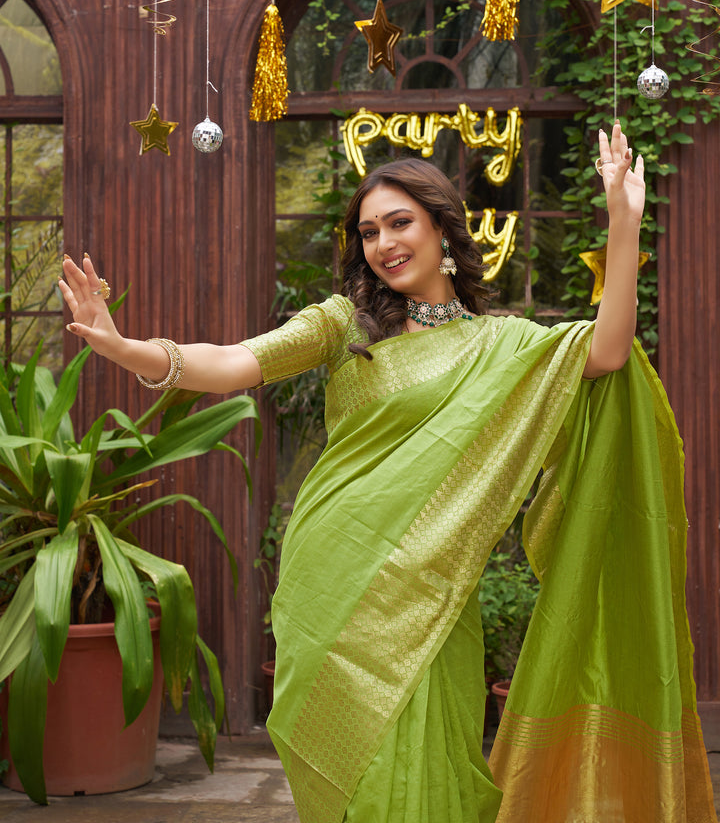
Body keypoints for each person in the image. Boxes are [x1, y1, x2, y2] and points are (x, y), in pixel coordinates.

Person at [60, 122, 716, 823]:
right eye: (369, 233)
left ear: (443, 231)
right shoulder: (344, 324)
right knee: (355, 770)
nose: (384, 244)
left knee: (439, 753)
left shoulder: (500, 345)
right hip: (335, 574)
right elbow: (234, 361)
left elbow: (608, 353)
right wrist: (126, 348)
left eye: (400, 223)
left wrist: (623, 222)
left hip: (437, 585)